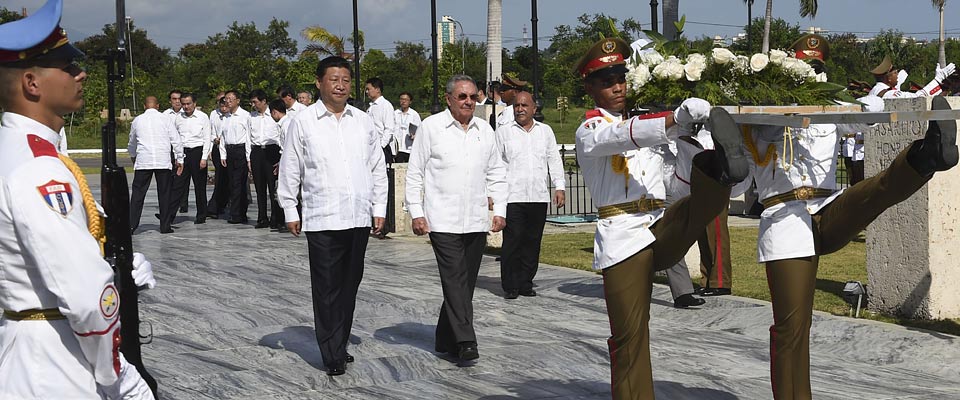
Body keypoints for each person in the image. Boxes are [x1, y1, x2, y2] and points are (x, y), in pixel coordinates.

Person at [740, 33, 958, 400]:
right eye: (806, 68)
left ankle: (925, 156)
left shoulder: (832, 109)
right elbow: (743, 135)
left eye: (818, 68)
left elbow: (869, 113)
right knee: (793, 330)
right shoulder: (766, 115)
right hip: (787, 219)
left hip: (829, 209)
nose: (814, 75)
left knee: (878, 191)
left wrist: (921, 102)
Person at [573, 37, 749, 399]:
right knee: (631, 337)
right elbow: (621, 136)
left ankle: (721, 170)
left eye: (621, 77)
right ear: (590, 87)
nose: (618, 86)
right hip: (622, 239)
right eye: (607, 81)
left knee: (695, 200)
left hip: (659, 225)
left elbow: (676, 182)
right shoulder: (590, 131)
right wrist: (671, 120)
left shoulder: (649, 131)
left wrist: (689, 136)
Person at [0, 1, 155, 397]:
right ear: (32, 83)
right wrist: (115, 373)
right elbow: (88, 298)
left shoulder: (16, 150)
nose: (81, 73)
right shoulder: (40, 169)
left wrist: (111, 263)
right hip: (56, 360)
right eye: (68, 66)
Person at [277, 56, 388, 377]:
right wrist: (289, 209)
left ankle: (338, 340)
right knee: (327, 287)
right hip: (322, 217)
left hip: (357, 217)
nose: (340, 85)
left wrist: (379, 209)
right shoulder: (304, 121)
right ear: (319, 82)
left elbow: (376, 168)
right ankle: (332, 352)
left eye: (345, 80)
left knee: (350, 284)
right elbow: (291, 168)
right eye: (333, 79)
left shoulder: (362, 120)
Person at [405, 74, 508, 364]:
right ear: (449, 99)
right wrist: (416, 212)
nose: (468, 102)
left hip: (475, 220)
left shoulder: (484, 131)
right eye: (462, 97)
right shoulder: (431, 128)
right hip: (442, 220)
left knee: (464, 284)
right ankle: (466, 340)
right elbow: (415, 173)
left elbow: (496, 173)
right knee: (454, 279)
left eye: (473, 97)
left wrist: (499, 209)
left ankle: (444, 337)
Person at [495, 90, 565, 299]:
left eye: (525, 105)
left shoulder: (546, 132)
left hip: (538, 196)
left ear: (534, 108)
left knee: (532, 242)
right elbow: (496, 164)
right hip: (513, 196)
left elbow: (554, 160)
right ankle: (510, 285)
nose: (520, 109)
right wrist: (494, 193)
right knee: (513, 242)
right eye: (517, 105)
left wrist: (559, 186)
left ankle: (526, 282)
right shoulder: (504, 132)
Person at [128, 96, 183, 234]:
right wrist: (179, 158)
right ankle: (165, 226)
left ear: (144, 106)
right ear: (157, 106)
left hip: (144, 161)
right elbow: (176, 140)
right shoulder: (165, 119)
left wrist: (134, 156)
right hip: (162, 160)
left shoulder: (137, 120)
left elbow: (132, 142)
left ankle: (131, 225)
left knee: (138, 194)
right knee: (165, 194)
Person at [169, 92, 211, 225]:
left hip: (197, 152)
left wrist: (204, 157)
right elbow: (176, 138)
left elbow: (207, 138)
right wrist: (178, 157)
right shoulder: (179, 118)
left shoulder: (203, 117)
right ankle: (169, 215)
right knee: (178, 185)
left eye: (188, 103)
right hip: (183, 153)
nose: (186, 107)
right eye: (184, 104)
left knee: (199, 186)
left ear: (195, 104)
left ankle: (201, 214)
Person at [248, 89, 282, 229]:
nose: (253, 105)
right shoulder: (251, 117)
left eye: (255, 102)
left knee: (272, 185)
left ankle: (276, 217)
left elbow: (280, 134)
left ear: (263, 101)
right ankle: (262, 217)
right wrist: (248, 157)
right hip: (256, 151)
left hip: (272, 150)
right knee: (259, 185)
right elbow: (247, 137)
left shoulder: (273, 115)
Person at [218, 89, 251, 224]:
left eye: (231, 98)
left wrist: (248, 157)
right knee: (232, 183)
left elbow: (248, 137)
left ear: (238, 100)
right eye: (226, 98)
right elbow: (223, 137)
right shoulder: (225, 117)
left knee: (238, 183)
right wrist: (223, 154)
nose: (228, 101)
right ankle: (238, 211)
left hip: (241, 150)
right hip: (229, 151)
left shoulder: (245, 116)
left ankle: (237, 213)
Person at [868, 54, 955, 98]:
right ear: (888, 78)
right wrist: (937, 80)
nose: (897, 74)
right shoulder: (889, 94)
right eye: (895, 73)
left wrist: (897, 85)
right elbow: (918, 99)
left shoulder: (875, 90)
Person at [207, 94, 231, 219]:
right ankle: (214, 207)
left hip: (229, 148)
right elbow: (211, 131)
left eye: (225, 106)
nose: (223, 108)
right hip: (217, 148)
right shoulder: (213, 114)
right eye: (221, 106)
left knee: (230, 179)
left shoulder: (232, 116)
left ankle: (225, 204)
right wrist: (212, 145)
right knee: (220, 178)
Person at [365, 77, 398, 163]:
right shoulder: (370, 107)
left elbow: (389, 128)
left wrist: (381, 146)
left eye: (368, 89)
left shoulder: (385, 105)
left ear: (377, 89)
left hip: (382, 148)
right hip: (371, 147)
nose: (366, 92)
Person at [393, 91, 421, 163]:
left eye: (406, 100)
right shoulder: (394, 113)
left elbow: (419, 130)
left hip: (409, 148)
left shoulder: (414, 114)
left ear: (410, 102)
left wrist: (414, 136)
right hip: (397, 148)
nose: (403, 101)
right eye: (402, 99)